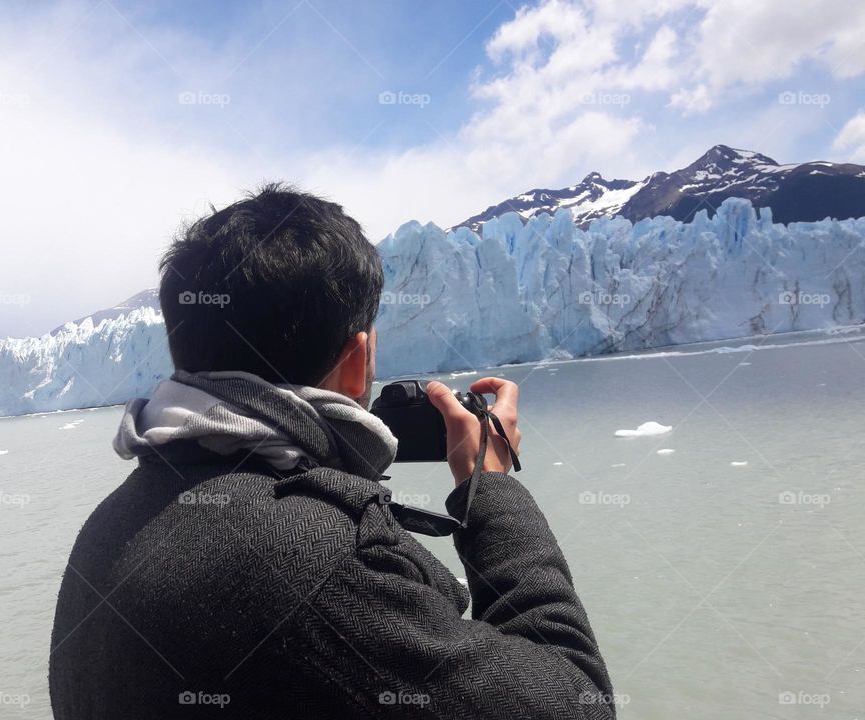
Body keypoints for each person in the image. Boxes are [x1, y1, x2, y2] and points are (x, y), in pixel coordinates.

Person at [49, 183, 616, 718]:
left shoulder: (108, 526)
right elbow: (575, 700)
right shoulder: (321, 565)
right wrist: (492, 487)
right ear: (355, 361)